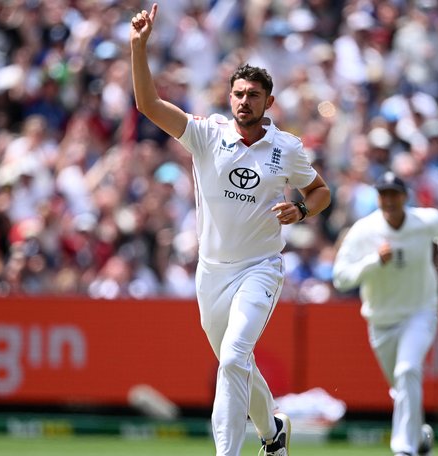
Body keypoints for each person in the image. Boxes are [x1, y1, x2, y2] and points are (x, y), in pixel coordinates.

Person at [130, 5, 332, 456]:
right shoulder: (207, 134)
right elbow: (148, 105)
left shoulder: (287, 147)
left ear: (269, 103)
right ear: (230, 96)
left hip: (260, 268)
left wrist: (300, 212)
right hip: (211, 272)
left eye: (254, 94)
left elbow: (320, 192)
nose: (244, 101)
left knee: (235, 356)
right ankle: (273, 432)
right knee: (234, 362)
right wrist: (138, 47)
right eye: (238, 93)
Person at [332, 172, 438, 456]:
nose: (389, 201)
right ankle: (418, 438)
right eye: (384, 195)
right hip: (380, 321)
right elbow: (341, 278)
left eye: (395, 194)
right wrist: (373, 262)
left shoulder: (424, 221)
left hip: (421, 312)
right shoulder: (363, 230)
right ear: (377, 198)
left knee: (407, 371)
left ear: (405, 197)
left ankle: (403, 449)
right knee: (401, 385)